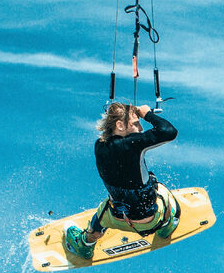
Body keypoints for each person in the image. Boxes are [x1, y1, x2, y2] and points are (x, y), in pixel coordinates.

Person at [64, 102, 179, 260]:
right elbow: (168, 131)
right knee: (161, 189)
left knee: (104, 208)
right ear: (119, 125)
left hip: (116, 219)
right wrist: (147, 114)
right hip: (151, 221)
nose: (141, 129)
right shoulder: (133, 144)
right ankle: (165, 226)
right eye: (136, 124)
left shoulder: (99, 146)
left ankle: (86, 244)